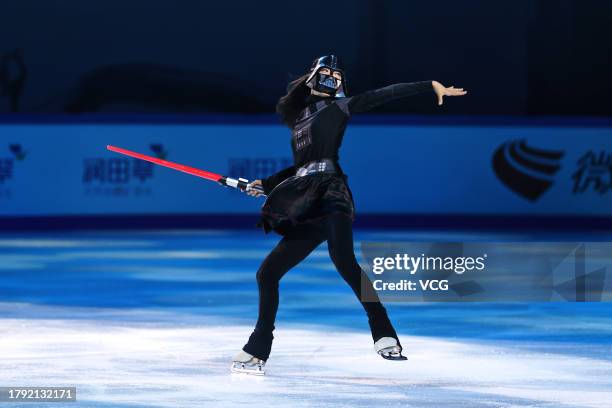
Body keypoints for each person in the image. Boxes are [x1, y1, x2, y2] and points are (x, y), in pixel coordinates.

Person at [231, 55, 467, 375]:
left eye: (336, 74)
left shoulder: (339, 107)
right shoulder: (300, 118)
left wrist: (429, 86)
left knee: (344, 261)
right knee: (267, 273)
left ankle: (383, 333)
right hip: (306, 203)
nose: (332, 77)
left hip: (331, 195)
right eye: (325, 72)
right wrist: (267, 183)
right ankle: (258, 347)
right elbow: (302, 165)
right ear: (311, 78)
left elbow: (383, 94)